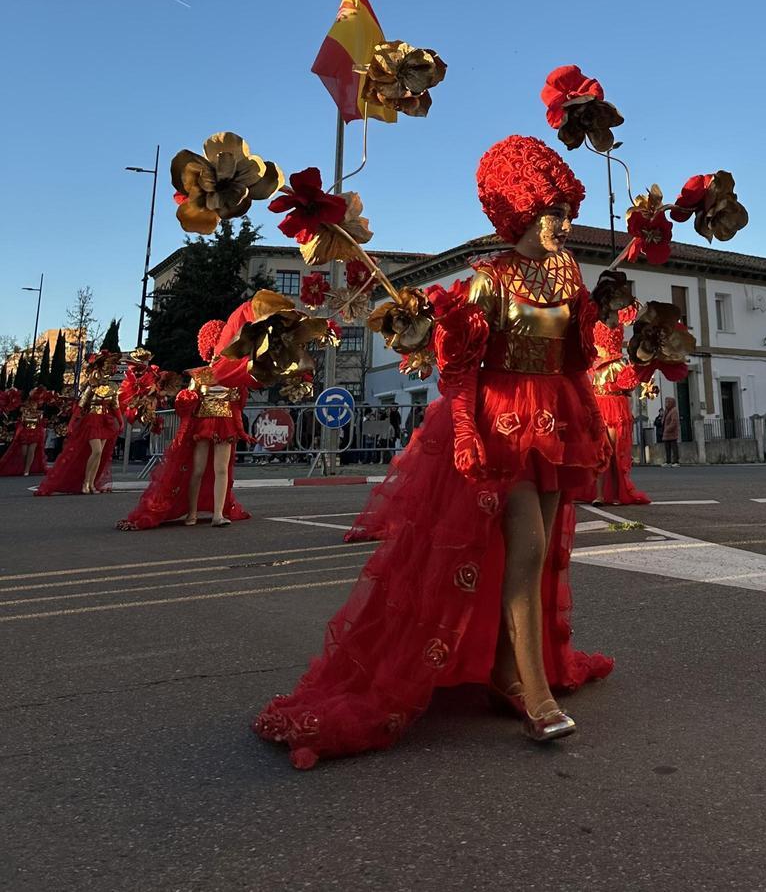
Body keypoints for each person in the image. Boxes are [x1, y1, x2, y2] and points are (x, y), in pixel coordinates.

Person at [256, 135, 612, 768]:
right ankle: (534, 695)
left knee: (547, 549)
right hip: (500, 422)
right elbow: (463, 375)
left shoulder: (571, 275)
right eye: (548, 210)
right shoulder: (490, 281)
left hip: (556, 420)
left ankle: (509, 671)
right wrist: (469, 430)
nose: (560, 223)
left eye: (564, 209)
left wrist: (592, 416)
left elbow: (574, 362)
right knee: (527, 546)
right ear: (516, 209)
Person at [116, 319, 254, 531]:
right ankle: (192, 512)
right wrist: (184, 398)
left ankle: (218, 514)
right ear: (209, 349)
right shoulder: (198, 375)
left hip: (225, 425)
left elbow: (237, 406)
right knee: (197, 470)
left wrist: (242, 431)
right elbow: (186, 402)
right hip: (203, 425)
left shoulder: (235, 374)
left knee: (221, 470)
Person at [36, 352, 123, 495]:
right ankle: (85, 483)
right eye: (106, 366)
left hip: (105, 421)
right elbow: (80, 406)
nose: (109, 369)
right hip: (92, 420)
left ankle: (91, 483)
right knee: (97, 451)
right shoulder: (91, 386)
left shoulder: (113, 389)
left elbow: (115, 406)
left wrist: (120, 422)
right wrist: (71, 424)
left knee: (99, 455)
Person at [590, 316, 651, 505]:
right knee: (599, 452)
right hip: (598, 406)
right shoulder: (591, 367)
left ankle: (616, 493)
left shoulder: (620, 366)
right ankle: (599, 494)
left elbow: (628, 388)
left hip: (615, 407)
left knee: (615, 452)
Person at [0, 390, 49, 477]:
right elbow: (19, 416)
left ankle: (27, 469)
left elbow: (42, 420)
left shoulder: (39, 411)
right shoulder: (23, 407)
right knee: (24, 452)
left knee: (31, 450)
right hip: (25, 431)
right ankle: (25, 467)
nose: (33, 405)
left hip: (35, 431)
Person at [660, 396, 681, 466]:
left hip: (672, 433)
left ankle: (676, 461)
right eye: (666, 402)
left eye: (668, 402)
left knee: (674, 448)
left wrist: (667, 429)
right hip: (666, 434)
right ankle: (668, 461)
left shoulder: (674, 411)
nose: (666, 404)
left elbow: (674, 422)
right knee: (667, 448)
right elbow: (664, 419)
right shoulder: (667, 411)